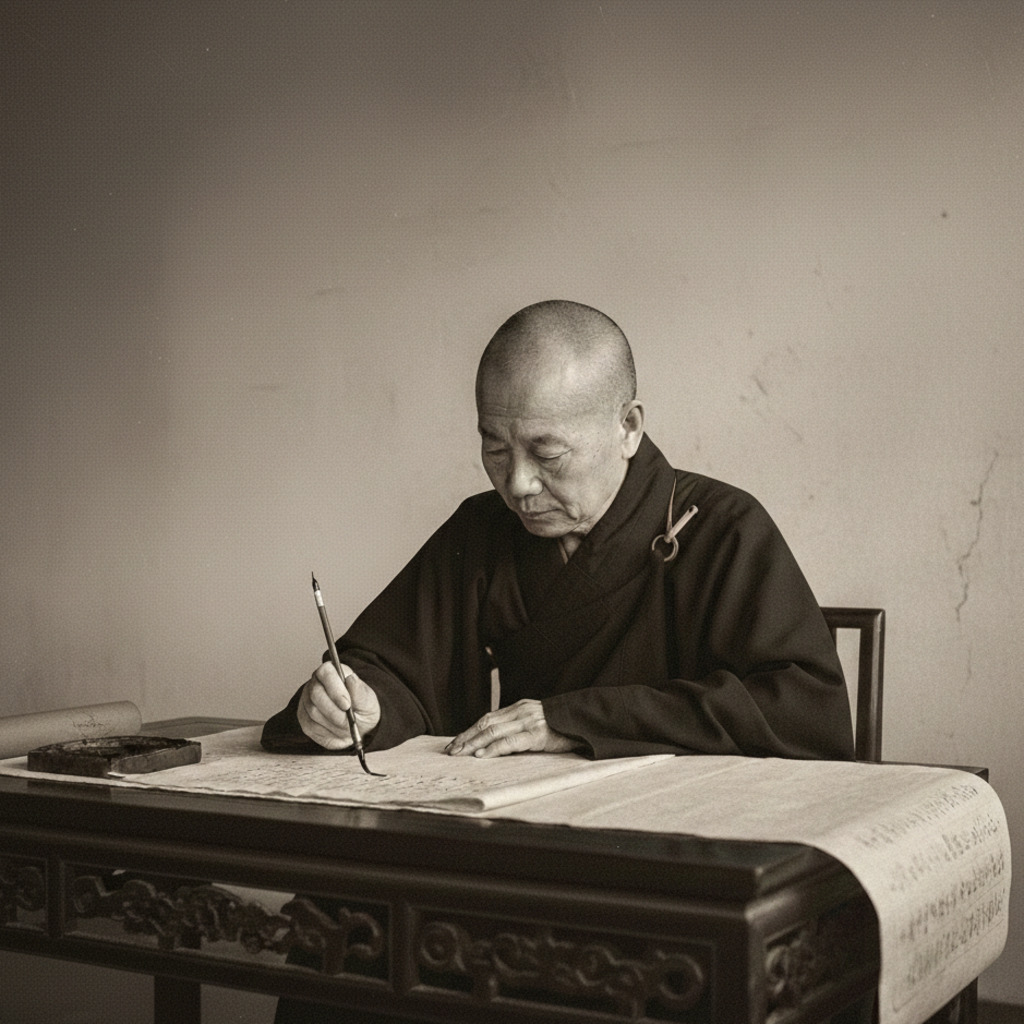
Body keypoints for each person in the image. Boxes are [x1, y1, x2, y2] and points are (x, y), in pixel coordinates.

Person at [262, 300, 854, 765]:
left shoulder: (724, 528)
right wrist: (353, 706)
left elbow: (804, 715)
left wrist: (573, 722)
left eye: (547, 453)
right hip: (521, 831)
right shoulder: (485, 530)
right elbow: (392, 667)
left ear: (628, 427)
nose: (517, 484)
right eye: (494, 448)